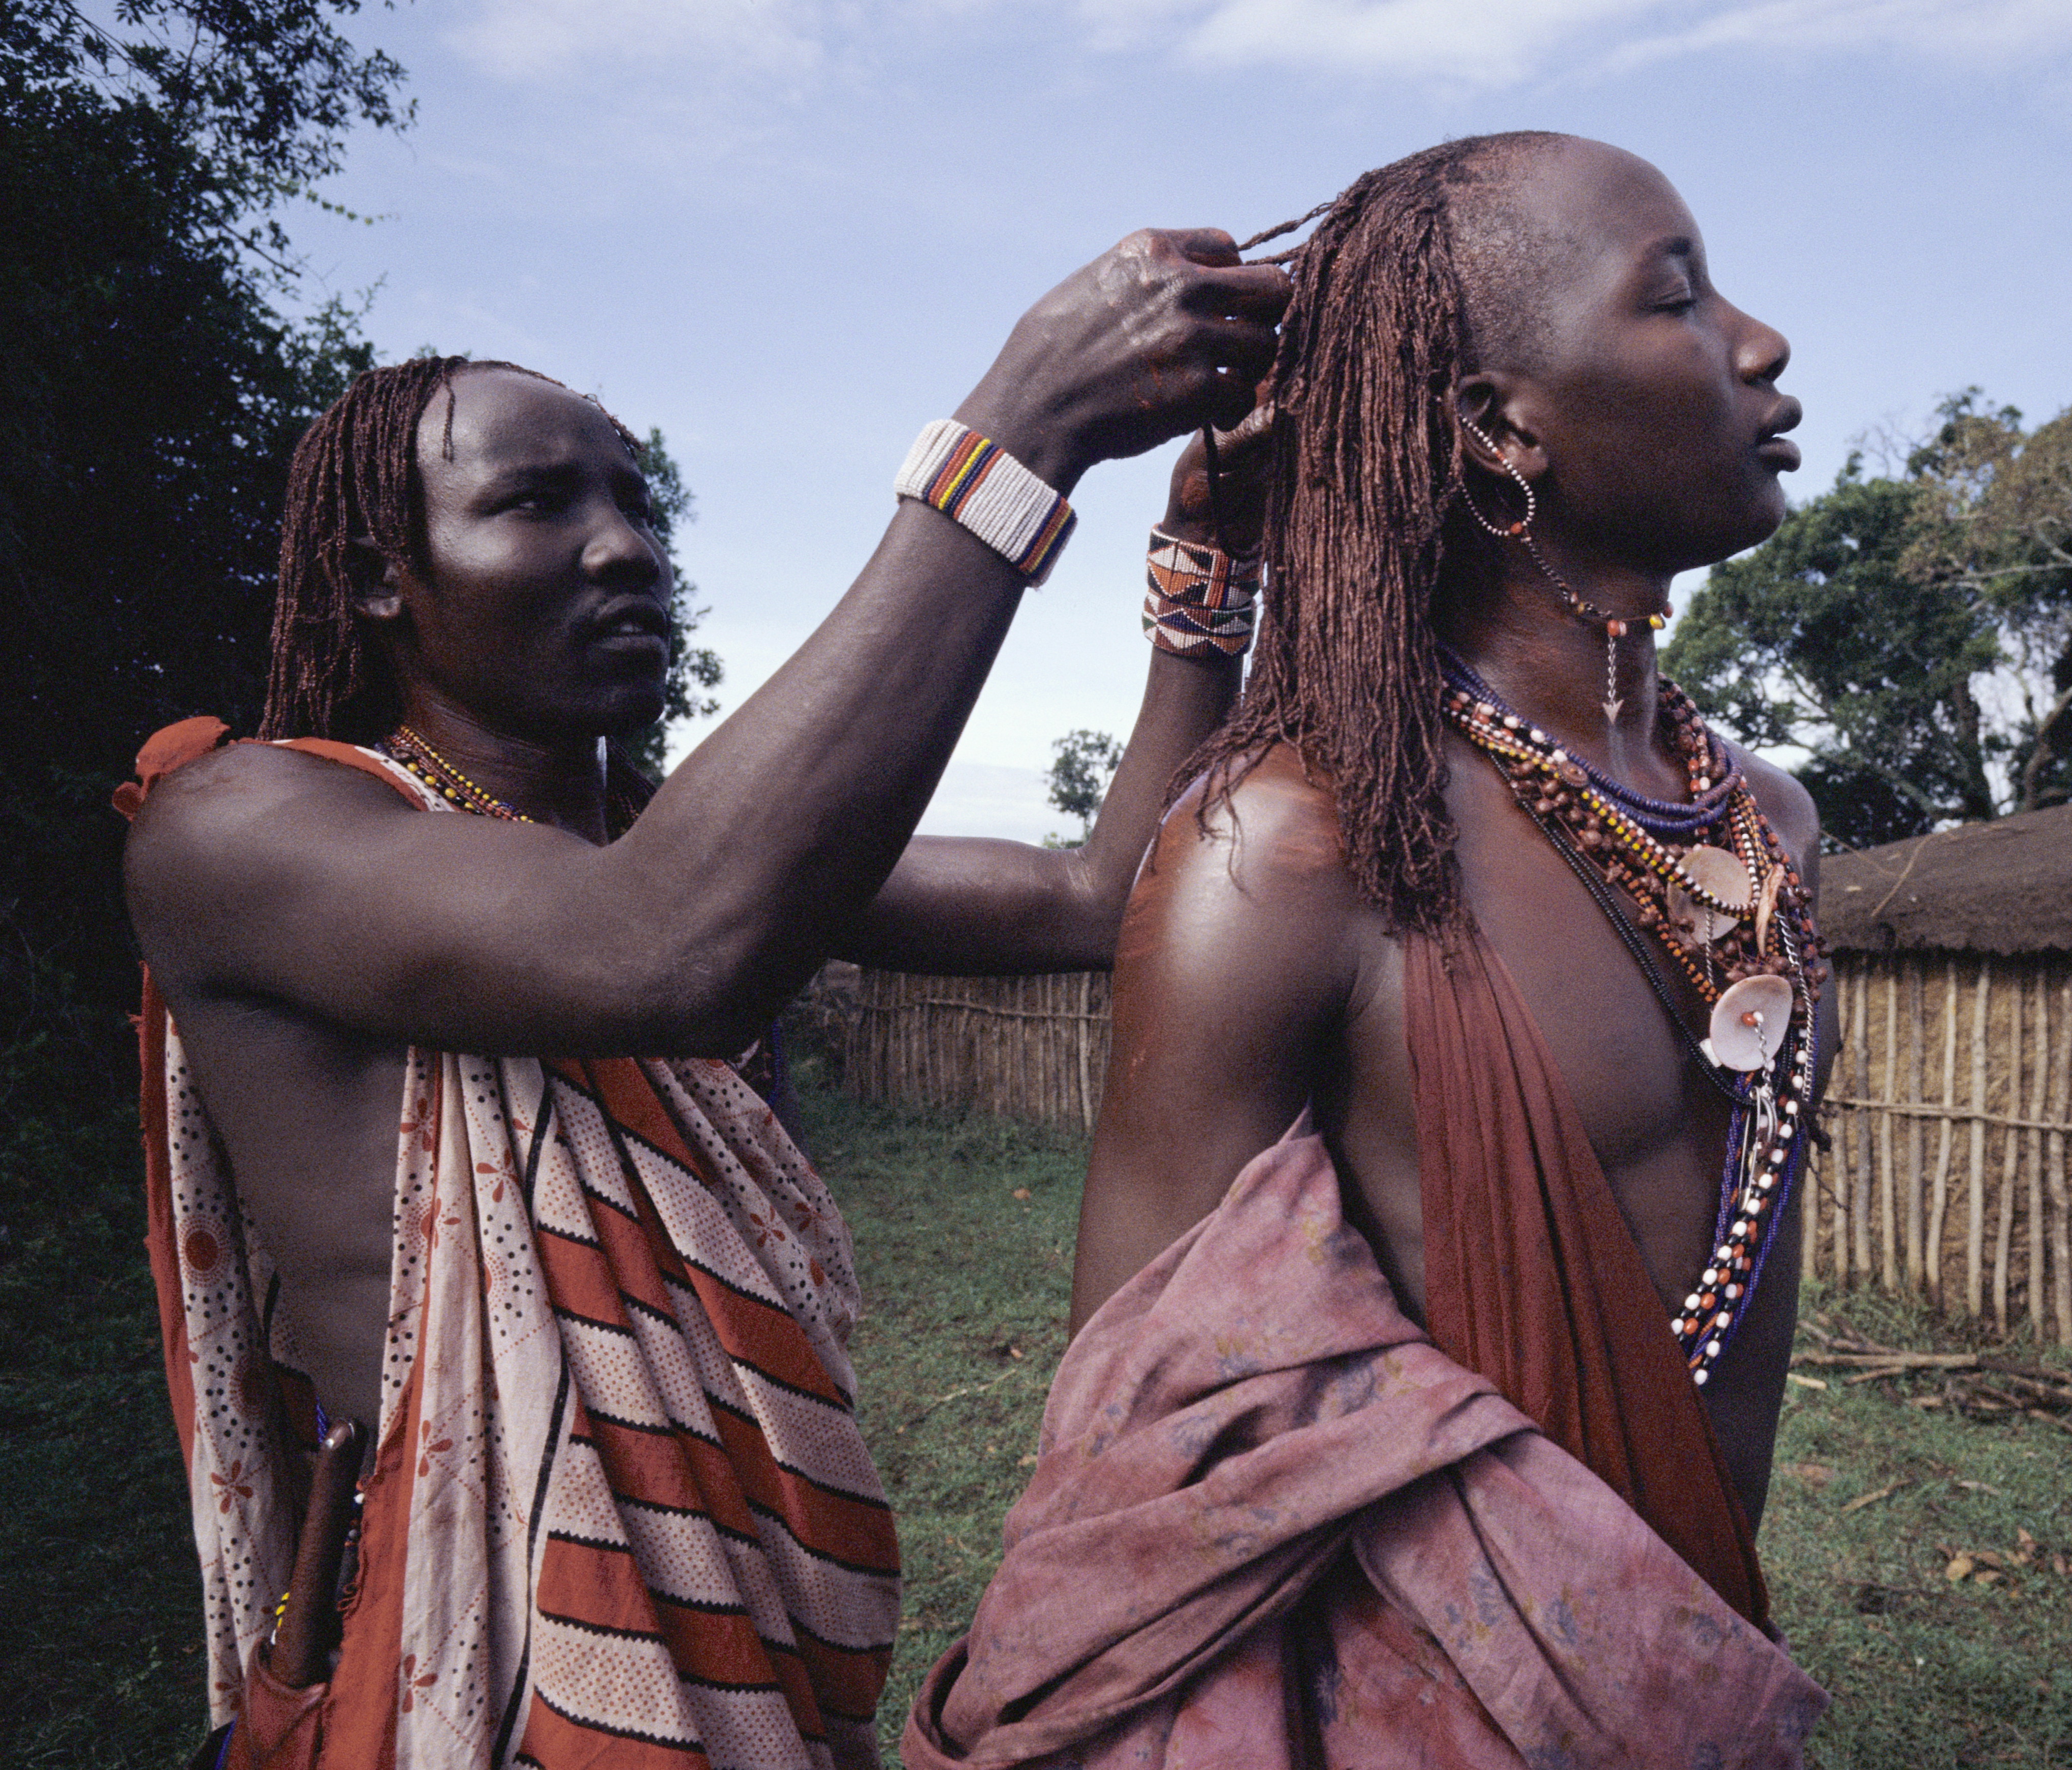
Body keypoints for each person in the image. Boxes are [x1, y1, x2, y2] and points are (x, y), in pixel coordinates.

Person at [117, 227, 1287, 1769]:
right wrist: (1017, 435)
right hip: (484, 1670)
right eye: (537, 502)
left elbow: (1099, 890)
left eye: (633, 500)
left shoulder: (679, 852)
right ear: (372, 580)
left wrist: (1212, 570)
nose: (624, 545)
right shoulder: (248, 827)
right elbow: (665, 949)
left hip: (764, 1627)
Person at [905, 134, 1834, 1769]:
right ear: (1496, 424)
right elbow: (1145, 1486)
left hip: (1695, 1674)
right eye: (1678, 296)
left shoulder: (1765, 824)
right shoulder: (1295, 849)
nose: (1758, 344)